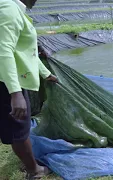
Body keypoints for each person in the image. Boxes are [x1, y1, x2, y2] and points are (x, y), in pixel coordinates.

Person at [0, 0, 58, 179]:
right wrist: (15, 93)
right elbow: (4, 49)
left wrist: (45, 73)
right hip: (8, 83)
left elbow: (24, 51)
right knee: (20, 131)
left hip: (8, 82)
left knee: (12, 128)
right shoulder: (9, 8)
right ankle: (35, 171)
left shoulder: (13, 8)